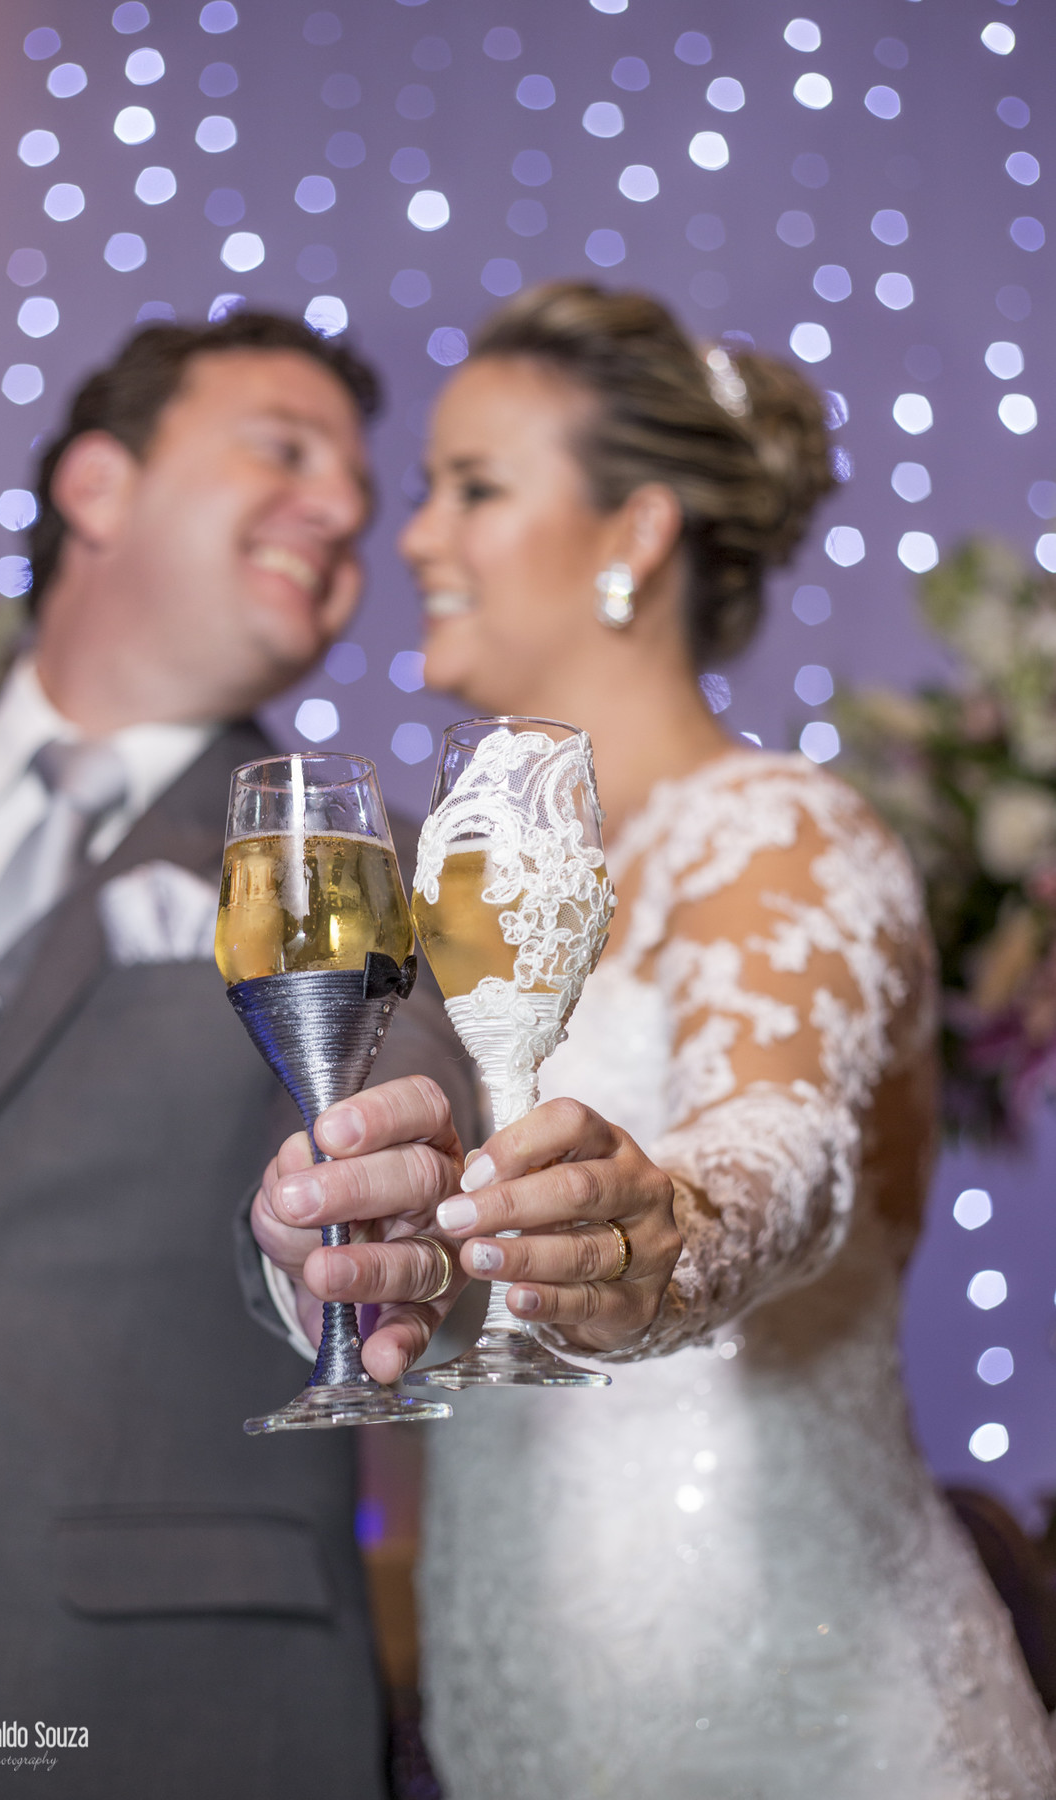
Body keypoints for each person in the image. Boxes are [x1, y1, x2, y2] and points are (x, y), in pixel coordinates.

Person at [253, 284, 1056, 1796]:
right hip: (518, 1705)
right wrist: (342, 1254)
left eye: (474, 488)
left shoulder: (780, 835)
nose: (414, 538)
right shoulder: (444, 891)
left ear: (634, 532)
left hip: (793, 1707)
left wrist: (667, 1238)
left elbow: (783, 1147)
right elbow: (449, 1259)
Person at [0, 310, 477, 1798]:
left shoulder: (352, 859)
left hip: (167, 1712)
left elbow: (404, 1110)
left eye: (356, 495)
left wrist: (350, 1238)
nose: (342, 513)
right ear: (97, 487)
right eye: (286, 451)